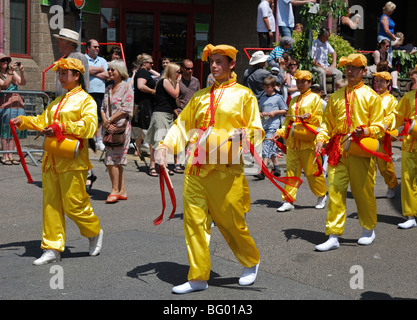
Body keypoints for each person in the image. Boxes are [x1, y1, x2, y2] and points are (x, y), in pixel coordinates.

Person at [154, 44, 264, 294]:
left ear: (232, 64)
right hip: (196, 168)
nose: (214, 66)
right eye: (212, 62)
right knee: (193, 222)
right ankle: (198, 276)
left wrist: (243, 134)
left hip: (226, 170)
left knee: (231, 222)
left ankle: (250, 260)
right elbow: (182, 126)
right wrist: (164, 146)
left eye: (220, 62)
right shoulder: (200, 96)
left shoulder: (244, 95)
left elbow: (257, 130)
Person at [10, 58, 103, 265]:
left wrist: (61, 128)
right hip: (51, 160)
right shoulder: (56, 102)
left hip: (73, 160)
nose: (60, 77)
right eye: (59, 73)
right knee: (51, 205)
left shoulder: (86, 100)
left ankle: (94, 231)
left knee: (74, 205)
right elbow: (43, 120)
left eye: (64, 73)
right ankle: (52, 247)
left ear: (77, 76)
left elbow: (89, 126)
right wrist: (23, 121)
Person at [314, 54, 384, 252]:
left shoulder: (371, 96)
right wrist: (320, 139)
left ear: (363, 71)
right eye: (348, 68)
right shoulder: (336, 97)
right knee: (335, 191)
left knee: (363, 192)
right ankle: (333, 235)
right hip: (338, 150)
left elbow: (379, 125)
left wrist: (366, 131)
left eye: (355, 67)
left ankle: (368, 229)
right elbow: (326, 124)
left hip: (360, 150)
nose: (350, 71)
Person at [272, 70, 327, 212]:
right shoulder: (294, 99)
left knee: (312, 172)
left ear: (309, 83)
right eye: (298, 82)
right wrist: (279, 132)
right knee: (291, 172)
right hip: (293, 143)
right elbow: (288, 122)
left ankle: (321, 195)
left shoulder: (315, 98)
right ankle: (288, 200)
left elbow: (320, 119)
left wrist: (308, 117)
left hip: (308, 142)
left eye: (303, 82)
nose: (300, 84)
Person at [385, 65, 417, 229]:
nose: (413, 77)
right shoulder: (409, 97)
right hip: (410, 145)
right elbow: (397, 116)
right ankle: (411, 215)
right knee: (407, 179)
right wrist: (385, 123)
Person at [101, 59, 134, 203]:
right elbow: (102, 108)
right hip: (109, 128)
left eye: (112, 69)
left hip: (120, 127)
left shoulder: (126, 87)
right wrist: (105, 121)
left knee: (112, 159)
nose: (109, 72)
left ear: (120, 71)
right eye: (108, 69)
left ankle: (114, 190)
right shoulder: (108, 88)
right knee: (115, 159)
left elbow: (126, 108)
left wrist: (109, 120)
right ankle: (121, 190)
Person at [144, 63, 181, 177]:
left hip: (167, 115)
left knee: (165, 142)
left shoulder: (168, 82)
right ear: (172, 72)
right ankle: (153, 166)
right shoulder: (164, 81)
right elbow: (175, 94)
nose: (179, 74)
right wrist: (178, 82)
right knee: (158, 141)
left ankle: (163, 165)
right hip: (161, 114)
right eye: (178, 72)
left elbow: (172, 101)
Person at [255, 76, 288, 179]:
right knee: (271, 146)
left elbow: (285, 110)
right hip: (264, 125)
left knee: (267, 146)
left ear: (273, 87)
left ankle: (263, 170)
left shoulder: (278, 98)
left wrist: (275, 112)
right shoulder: (263, 98)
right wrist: (261, 114)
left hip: (273, 126)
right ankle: (276, 167)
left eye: (268, 87)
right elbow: (258, 110)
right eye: (265, 87)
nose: (266, 89)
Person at [373, 71, 398, 199]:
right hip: (370, 135)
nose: (379, 83)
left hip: (383, 137)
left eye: (382, 81)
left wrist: (386, 124)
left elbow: (393, 115)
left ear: (388, 83)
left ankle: (392, 185)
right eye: (377, 81)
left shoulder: (391, 100)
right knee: (368, 166)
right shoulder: (372, 97)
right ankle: (367, 188)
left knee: (384, 167)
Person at [0, 54, 26, 165]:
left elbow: (22, 82)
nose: (6, 61)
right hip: (5, 105)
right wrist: (10, 72)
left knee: (14, 131)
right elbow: (5, 85)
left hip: (17, 104)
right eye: (3, 60)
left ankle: (11, 155)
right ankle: (4, 155)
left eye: (7, 60)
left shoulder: (12, 72)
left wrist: (22, 72)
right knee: (6, 131)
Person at [85, 39, 109, 152]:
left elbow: (107, 75)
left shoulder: (102, 60)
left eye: (98, 47)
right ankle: (88, 139)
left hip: (100, 92)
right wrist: (99, 69)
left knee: (99, 117)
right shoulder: (83, 58)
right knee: (87, 116)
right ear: (88, 48)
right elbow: (84, 70)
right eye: (95, 47)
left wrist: (91, 71)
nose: (97, 49)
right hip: (87, 92)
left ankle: (99, 140)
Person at [131, 53, 157, 154]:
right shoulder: (143, 72)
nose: (152, 65)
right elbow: (141, 86)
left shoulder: (143, 72)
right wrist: (152, 91)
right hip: (143, 104)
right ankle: (151, 150)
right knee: (146, 127)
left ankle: (138, 149)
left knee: (141, 127)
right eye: (150, 63)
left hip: (143, 104)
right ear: (144, 63)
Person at [53, 28, 89, 96]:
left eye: (59, 41)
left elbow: (85, 82)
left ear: (66, 42)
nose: (58, 45)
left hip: (73, 102)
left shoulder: (79, 57)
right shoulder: (64, 59)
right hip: (62, 101)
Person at [311, 27, 343, 96]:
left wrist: (333, 64)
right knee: (322, 72)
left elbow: (333, 52)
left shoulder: (326, 43)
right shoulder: (314, 44)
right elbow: (312, 61)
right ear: (324, 36)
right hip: (317, 66)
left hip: (326, 66)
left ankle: (337, 93)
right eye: (328, 35)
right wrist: (323, 68)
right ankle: (324, 94)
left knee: (339, 73)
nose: (329, 37)